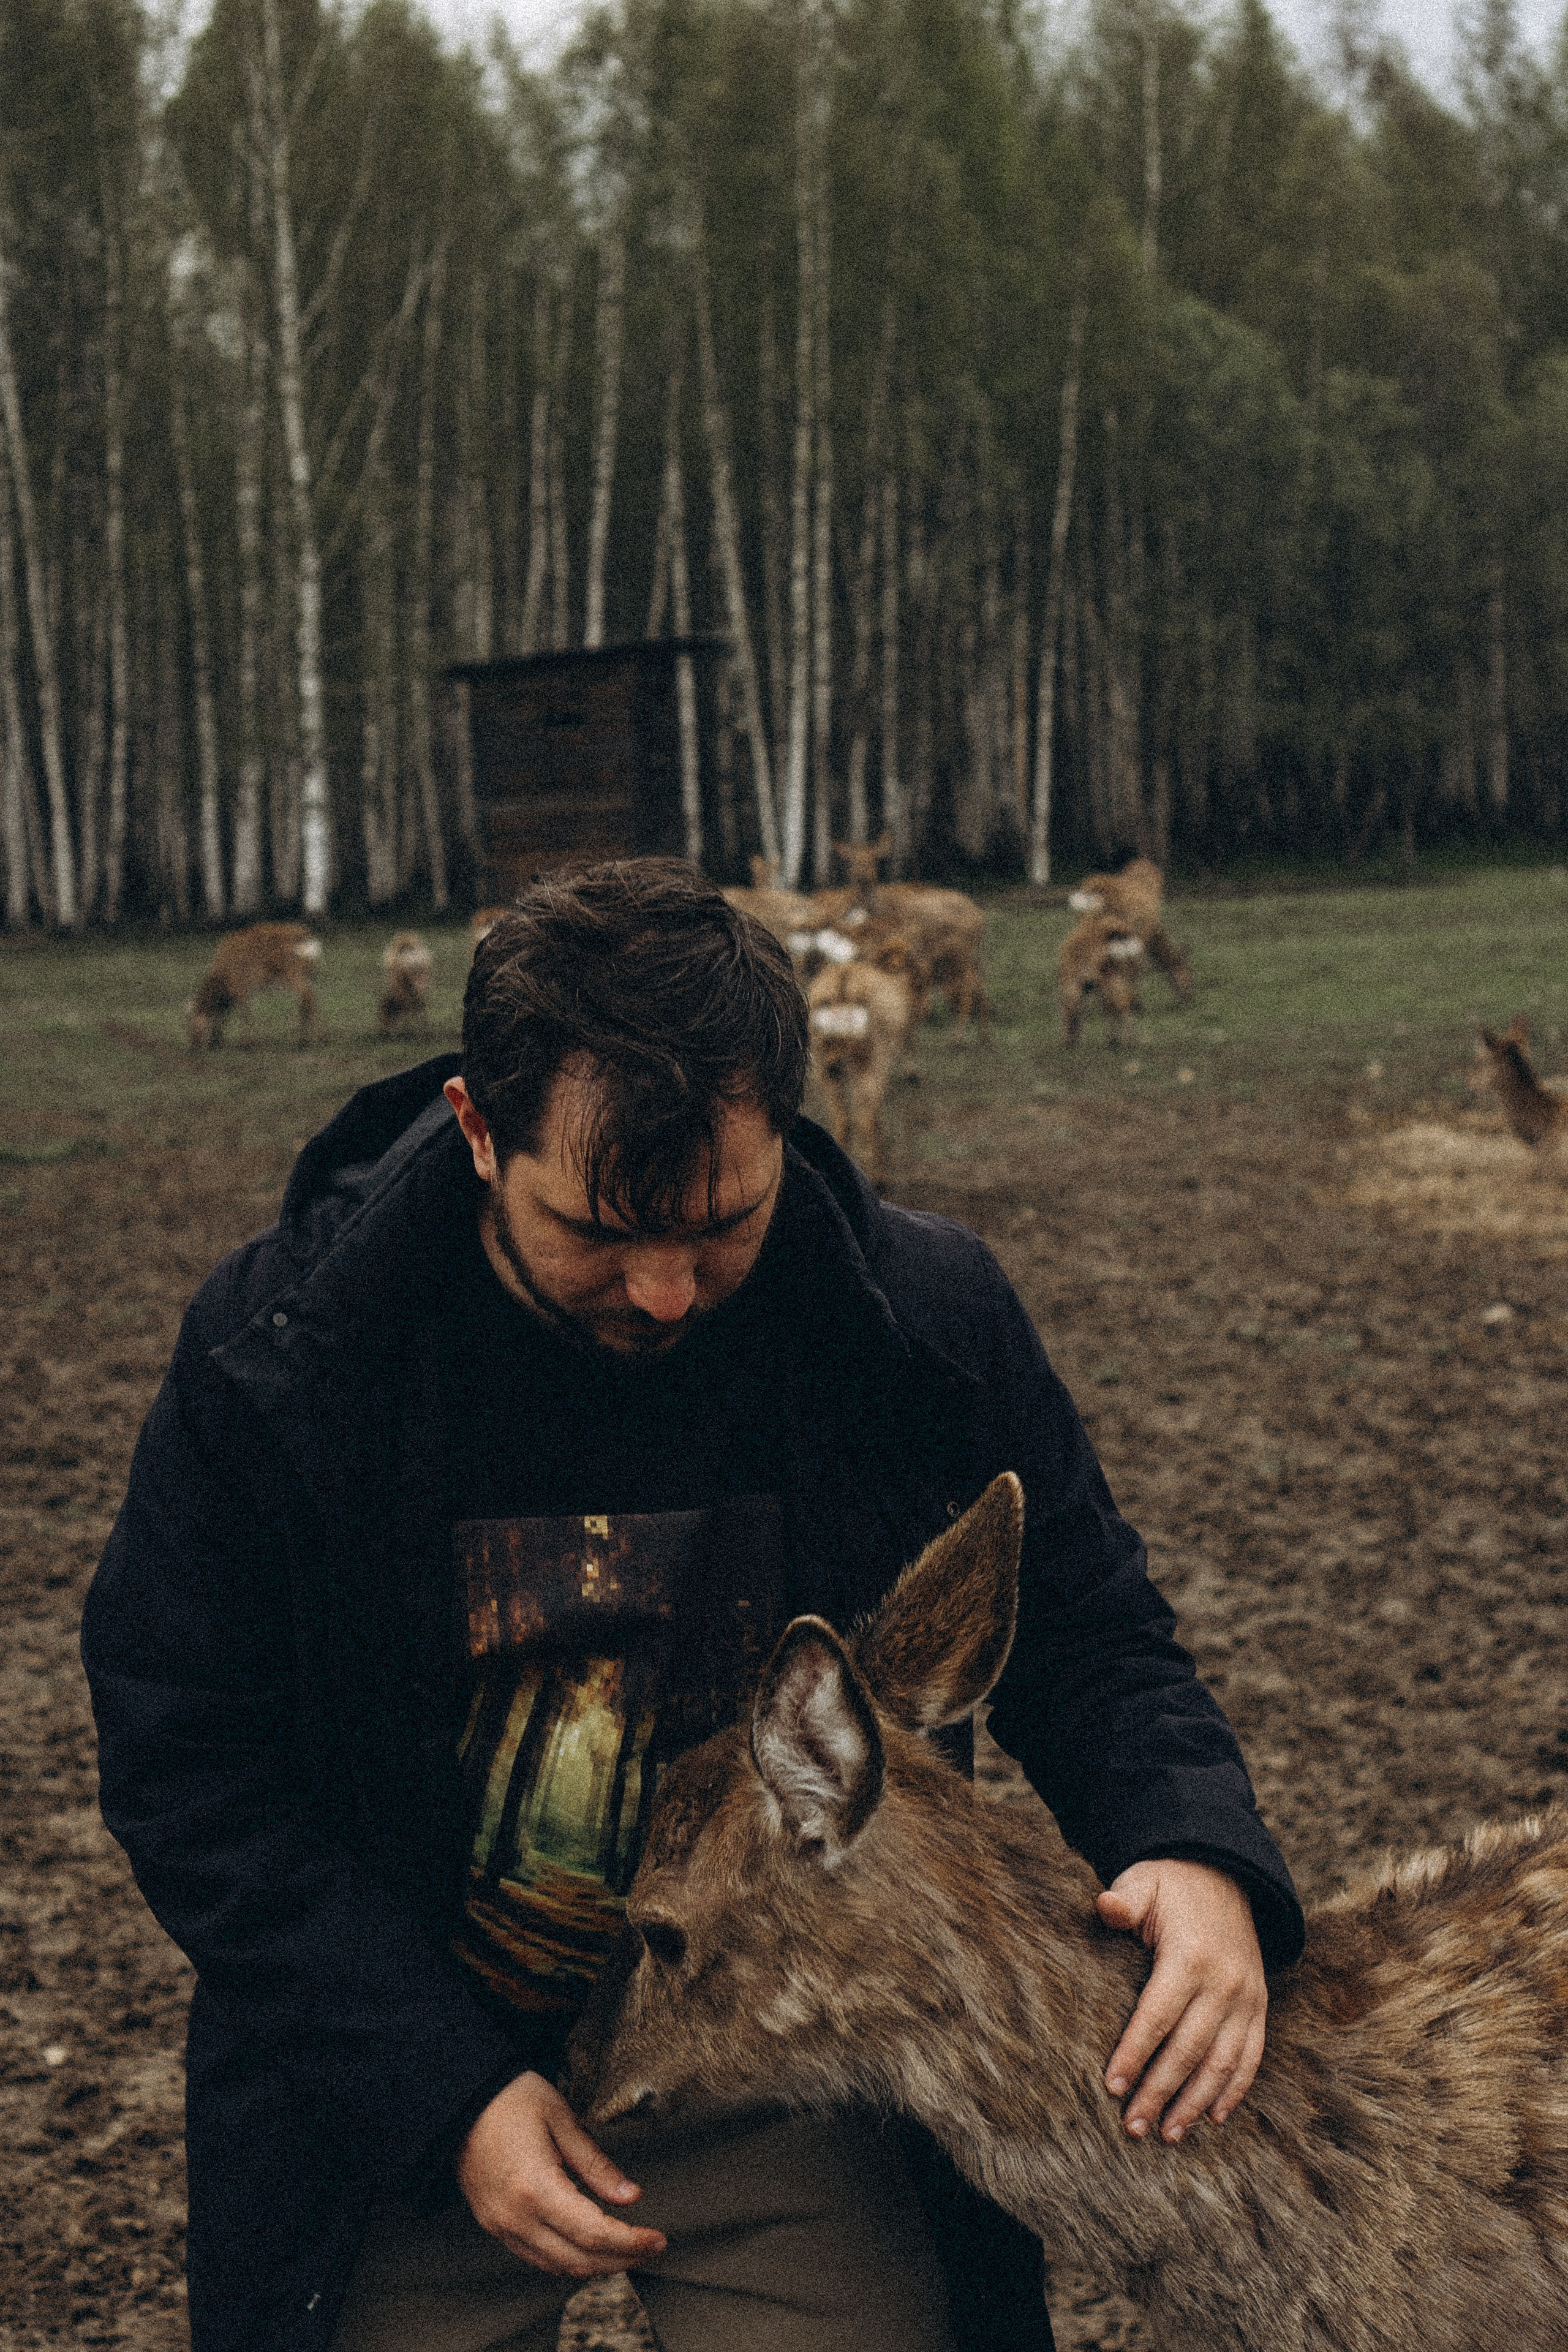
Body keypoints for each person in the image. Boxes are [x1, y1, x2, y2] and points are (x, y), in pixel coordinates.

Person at [83, 859, 1303, 2352]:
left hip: (799, 2072)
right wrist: (442, 2091)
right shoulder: (282, 1357)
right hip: (400, 2083)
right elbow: (190, 1762)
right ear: (476, 1130)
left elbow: (1090, 1631)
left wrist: (1190, 1847)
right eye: (599, 1231)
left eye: (720, 1221)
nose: (666, 1289)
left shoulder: (921, 1320)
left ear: (788, 1124)